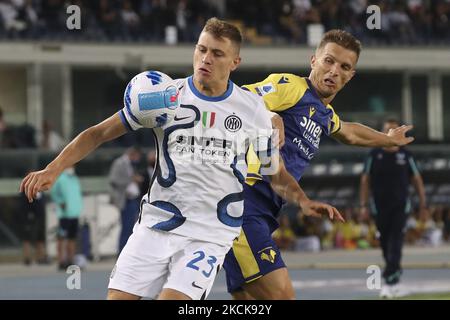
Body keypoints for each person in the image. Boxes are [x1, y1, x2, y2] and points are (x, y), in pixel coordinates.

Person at [19, 18, 342, 300]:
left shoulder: (253, 111)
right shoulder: (164, 99)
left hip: (208, 234)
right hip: (155, 226)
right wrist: (53, 168)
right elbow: (98, 133)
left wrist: (302, 200)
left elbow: (274, 170)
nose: (206, 59)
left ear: (235, 62)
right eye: (201, 49)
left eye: (217, 54)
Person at [223, 29, 415, 300]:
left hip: (264, 210)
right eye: (329, 61)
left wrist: (386, 139)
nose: (334, 71)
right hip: (244, 203)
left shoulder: (324, 115)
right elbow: (239, 99)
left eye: (344, 67)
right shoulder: (290, 86)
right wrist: (269, 115)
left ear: (351, 76)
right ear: (313, 60)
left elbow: (349, 132)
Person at [360, 119, 427, 298]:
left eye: (393, 129)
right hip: (379, 206)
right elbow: (365, 180)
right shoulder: (374, 154)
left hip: (401, 205)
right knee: (384, 243)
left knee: (396, 241)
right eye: (386, 129)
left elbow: (417, 180)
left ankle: (389, 281)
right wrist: (363, 205)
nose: (390, 132)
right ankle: (395, 279)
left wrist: (423, 204)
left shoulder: (406, 155)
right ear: (382, 133)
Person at [108, 146, 143, 254]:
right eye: (137, 157)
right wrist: (131, 179)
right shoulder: (119, 163)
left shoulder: (129, 164)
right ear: (133, 154)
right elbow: (114, 180)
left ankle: (129, 251)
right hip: (126, 200)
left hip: (133, 199)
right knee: (126, 227)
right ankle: (122, 252)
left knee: (132, 227)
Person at [50, 166, 83, 270]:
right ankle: (61, 261)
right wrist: (60, 202)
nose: (71, 168)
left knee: (72, 238)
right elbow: (54, 193)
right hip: (64, 215)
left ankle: (71, 261)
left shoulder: (75, 178)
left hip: (74, 213)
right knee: (61, 238)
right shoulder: (60, 178)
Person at [19, 191, 49, 265]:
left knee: (40, 238)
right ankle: (27, 258)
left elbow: (41, 202)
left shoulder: (40, 188)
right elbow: (23, 203)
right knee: (27, 238)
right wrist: (28, 214)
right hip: (30, 217)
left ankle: (40, 258)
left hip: (40, 217)